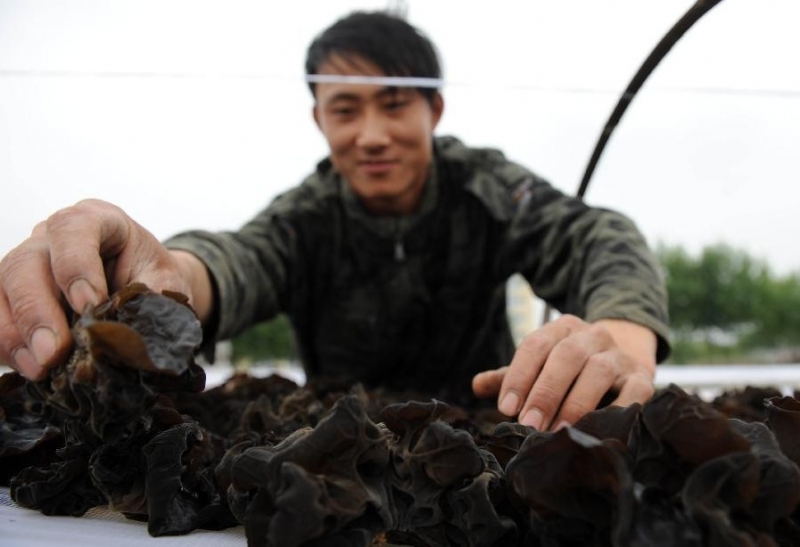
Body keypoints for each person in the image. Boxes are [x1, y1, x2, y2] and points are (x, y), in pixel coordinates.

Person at [0, 11, 668, 431]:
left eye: (395, 104)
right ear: (319, 118)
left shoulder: (486, 187)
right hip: (339, 458)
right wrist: (153, 281)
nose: (372, 135)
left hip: (486, 438)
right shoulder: (305, 218)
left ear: (434, 111)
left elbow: (597, 239)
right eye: (345, 110)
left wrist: (621, 339)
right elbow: (232, 262)